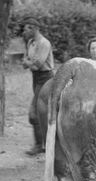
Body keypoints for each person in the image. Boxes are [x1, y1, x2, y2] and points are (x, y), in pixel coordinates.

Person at [22, 17, 54, 156]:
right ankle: (44, 145)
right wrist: (29, 62)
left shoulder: (44, 43)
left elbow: (38, 63)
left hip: (46, 78)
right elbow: (26, 62)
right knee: (41, 112)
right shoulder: (30, 42)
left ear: (34, 28)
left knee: (34, 112)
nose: (24, 31)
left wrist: (29, 62)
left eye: (26, 28)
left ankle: (40, 145)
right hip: (36, 78)